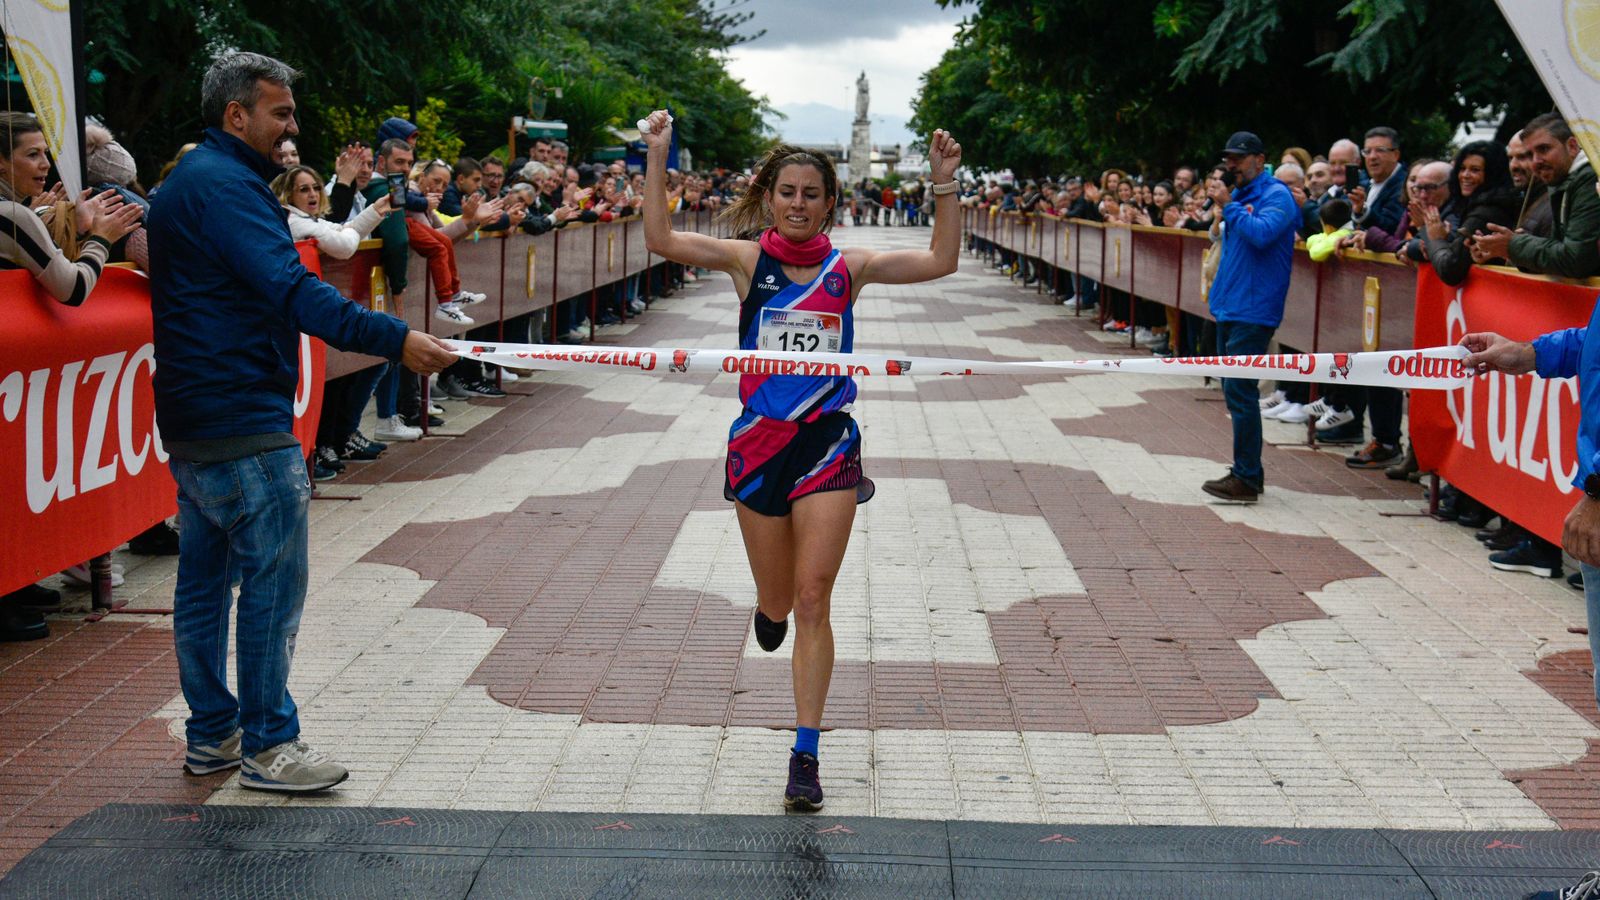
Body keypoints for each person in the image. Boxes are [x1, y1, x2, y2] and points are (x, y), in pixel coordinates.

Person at [146, 51, 459, 792]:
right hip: (242, 416)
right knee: (269, 587)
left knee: (203, 584)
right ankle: (267, 743)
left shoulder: (191, 184)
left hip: (196, 415)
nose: (293, 129)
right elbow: (294, 289)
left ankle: (214, 734)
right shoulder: (225, 187)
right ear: (236, 115)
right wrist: (395, 338)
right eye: (280, 113)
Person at [640, 108, 962, 812]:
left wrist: (945, 184)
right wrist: (656, 155)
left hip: (825, 441)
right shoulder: (747, 260)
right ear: (769, 196)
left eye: (811, 194)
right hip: (758, 446)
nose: (797, 204)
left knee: (815, 597)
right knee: (781, 598)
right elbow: (661, 237)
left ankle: (806, 754)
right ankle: (768, 607)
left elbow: (943, 260)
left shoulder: (852, 266)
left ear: (830, 203)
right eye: (786, 192)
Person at [1200, 131, 1299, 503]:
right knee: (1234, 390)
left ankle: (1246, 477)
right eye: (1228, 159)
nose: (1231, 166)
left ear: (1260, 159)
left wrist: (1230, 207)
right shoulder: (1239, 196)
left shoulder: (1276, 196)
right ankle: (1246, 473)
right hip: (1231, 305)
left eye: (1238, 159)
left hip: (1254, 309)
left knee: (1241, 391)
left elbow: (1261, 235)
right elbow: (1224, 238)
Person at [1471, 113, 1600, 279]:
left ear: (1572, 146)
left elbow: (1576, 260)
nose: (1536, 161)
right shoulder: (1564, 182)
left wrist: (1513, 245)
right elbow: (1561, 254)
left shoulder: (1588, 179)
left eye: (1544, 149)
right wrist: (1508, 249)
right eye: (1530, 154)